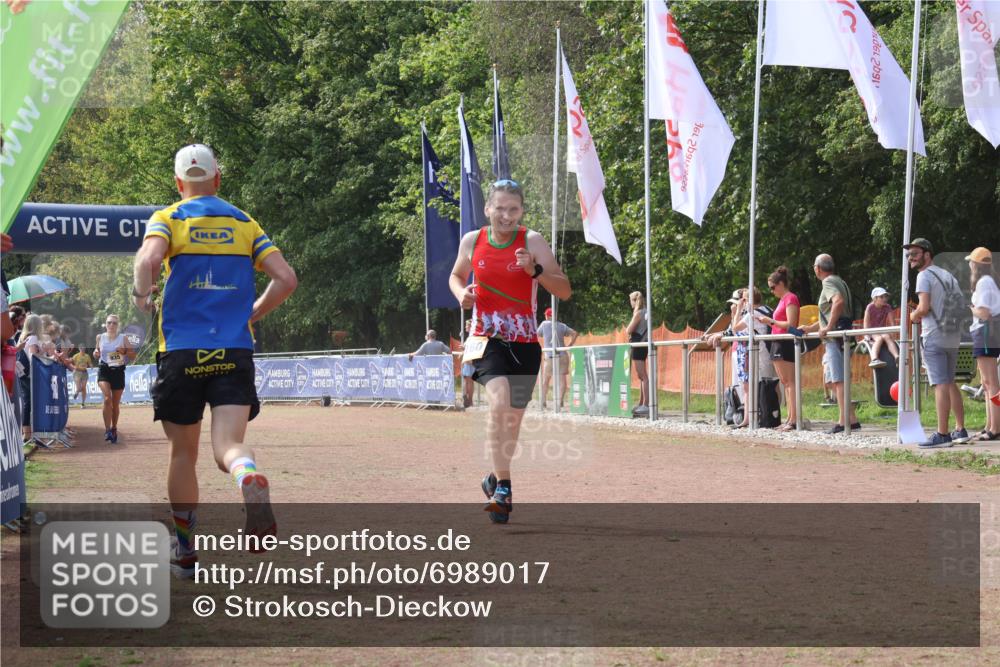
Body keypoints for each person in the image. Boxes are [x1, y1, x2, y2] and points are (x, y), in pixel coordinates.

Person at [133, 143, 297, 577]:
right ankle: (246, 475)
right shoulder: (244, 223)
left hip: (181, 351)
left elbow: (148, 260)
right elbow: (286, 279)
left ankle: (185, 550)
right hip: (234, 348)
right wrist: (253, 313)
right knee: (227, 447)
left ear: (178, 182)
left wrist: (141, 296)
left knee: (182, 454)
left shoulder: (168, 218)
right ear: (217, 179)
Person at [449, 179, 570, 524]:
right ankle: (504, 488)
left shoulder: (533, 241)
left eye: (513, 209)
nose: (506, 215)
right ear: (488, 208)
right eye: (499, 208)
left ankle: (494, 476)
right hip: (485, 337)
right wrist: (461, 294)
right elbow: (456, 276)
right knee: (498, 403)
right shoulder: (472, 241)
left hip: (525, 342)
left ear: (522, 211)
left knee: (512, 422)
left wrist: (535, 271)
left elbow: (564, 290)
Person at [906, 238, 968, 447]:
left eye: (915, 253)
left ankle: (942, 434)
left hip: (934, 334)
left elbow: (923, 308)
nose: (911, 258)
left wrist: (913, 316)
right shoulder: (947, 275)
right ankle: (960, 429)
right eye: (909, 255)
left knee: (940, 383)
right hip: (953, 334)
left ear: (927, 254)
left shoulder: (923, 276)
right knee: (949, 382)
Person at [803, 253, 860, 434]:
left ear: (818, 268)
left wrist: (828, 327)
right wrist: (811, 328)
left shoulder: (828, 282)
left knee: (838, 380)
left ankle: (843, 421)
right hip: (841, 335)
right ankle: (852, 418)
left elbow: (838, 302)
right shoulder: (839, 281)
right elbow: (830, 312)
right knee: (835, 380)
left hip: (834, 339)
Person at [757, 267, 800, 431]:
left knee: (790, 382)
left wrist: (770, 321)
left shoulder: (790, 298)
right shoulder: (782, 300)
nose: (771, 291)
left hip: (785, 342)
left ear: (781, 284)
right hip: (777, 341)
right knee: (785, 382)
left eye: (773, 287)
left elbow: (791, 324)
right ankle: (789, 417)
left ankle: (794, 419)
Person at [967, 247, 1000, 441]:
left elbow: (984, 313)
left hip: (986, 332)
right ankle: (990, 426)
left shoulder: (983, 282)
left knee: (991, 383)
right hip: (985, 332)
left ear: (975, 265)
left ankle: (995, 428)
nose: (970, 265)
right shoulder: (988, 281)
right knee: (987, 383)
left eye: (971, 262)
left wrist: (970, 308)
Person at [95, 314, 135, 443]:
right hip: (104, 369)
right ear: (105, 324)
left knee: (115, 404)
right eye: (109, 322)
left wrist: (124, 351)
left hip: (118, 371)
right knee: (107, 398)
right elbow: (96, 352)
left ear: (118, 325)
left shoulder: (123, 338)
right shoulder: (100, 337)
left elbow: (132, 356)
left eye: (114, 323)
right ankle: (107, 430)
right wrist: (95, 353)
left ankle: (114, 428)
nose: (111, 325)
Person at [537, 306, 578, 409]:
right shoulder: (562, 326)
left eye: (546, 315)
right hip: (562, 354)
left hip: (549, 355)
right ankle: (560, 402)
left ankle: (543, 401)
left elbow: (537, 334)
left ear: (548, 316)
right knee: (562, 380)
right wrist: (569, 345)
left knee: (546, 379)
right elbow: (574, 333)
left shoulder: (544, 324)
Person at [15, 313, 43, 442]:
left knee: (27, 402)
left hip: (23, 373)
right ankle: (28, 434)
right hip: (30, 375)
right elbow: (33, 357)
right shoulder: (33, 338)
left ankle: (26, 433)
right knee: (30, 403)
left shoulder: (23, 337)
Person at [626, 291, 650, 416]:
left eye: (630, 300)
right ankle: (642, 403)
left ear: (635, 301)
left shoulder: (638, 313)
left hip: (638, 345)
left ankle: (646, 405)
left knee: (643, 376)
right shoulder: (646, 311)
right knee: (642, 376)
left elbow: (628, 330)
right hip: (643, 345)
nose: (630, 303)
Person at [863, 287, 899, 368]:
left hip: (882, 330)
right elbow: (866, 322)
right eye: (881, 297)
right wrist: (866, 335)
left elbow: (892, 322)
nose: (884, 299)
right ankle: (874, 359)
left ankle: (896, 356)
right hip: (872, 331)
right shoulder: (870, 307)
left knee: (887, 337)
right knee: (879, 339)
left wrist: (893, 332)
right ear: (875, 298)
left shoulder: (887, 307)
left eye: (885, 297)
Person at [460, 319, 475, 408]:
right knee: (467, 381)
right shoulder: (470, 337)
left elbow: (472, 349)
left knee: (469, 381)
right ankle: (467, 400)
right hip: (467, 361)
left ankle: (470, 401)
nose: (465, 327)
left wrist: (464, 348)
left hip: (470, 361)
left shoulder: (473, 336)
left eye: (467, 325)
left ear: (471, 327)